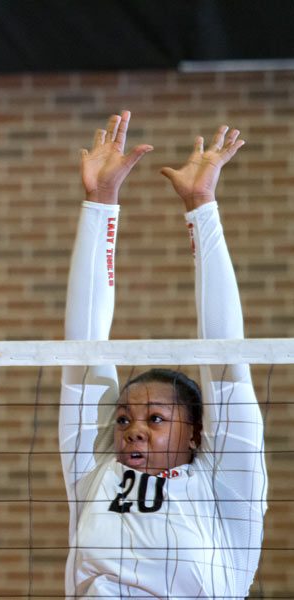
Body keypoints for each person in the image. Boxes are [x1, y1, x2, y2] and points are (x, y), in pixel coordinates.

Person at [60, 111, 267, 597]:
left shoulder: (225, 490)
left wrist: (201, 205)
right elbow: (83, 344)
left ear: (196, 433)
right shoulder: (95, 473)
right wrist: (100, 202)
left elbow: (223, 352)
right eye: (125, 418)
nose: (132, 428)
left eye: (156, 419)